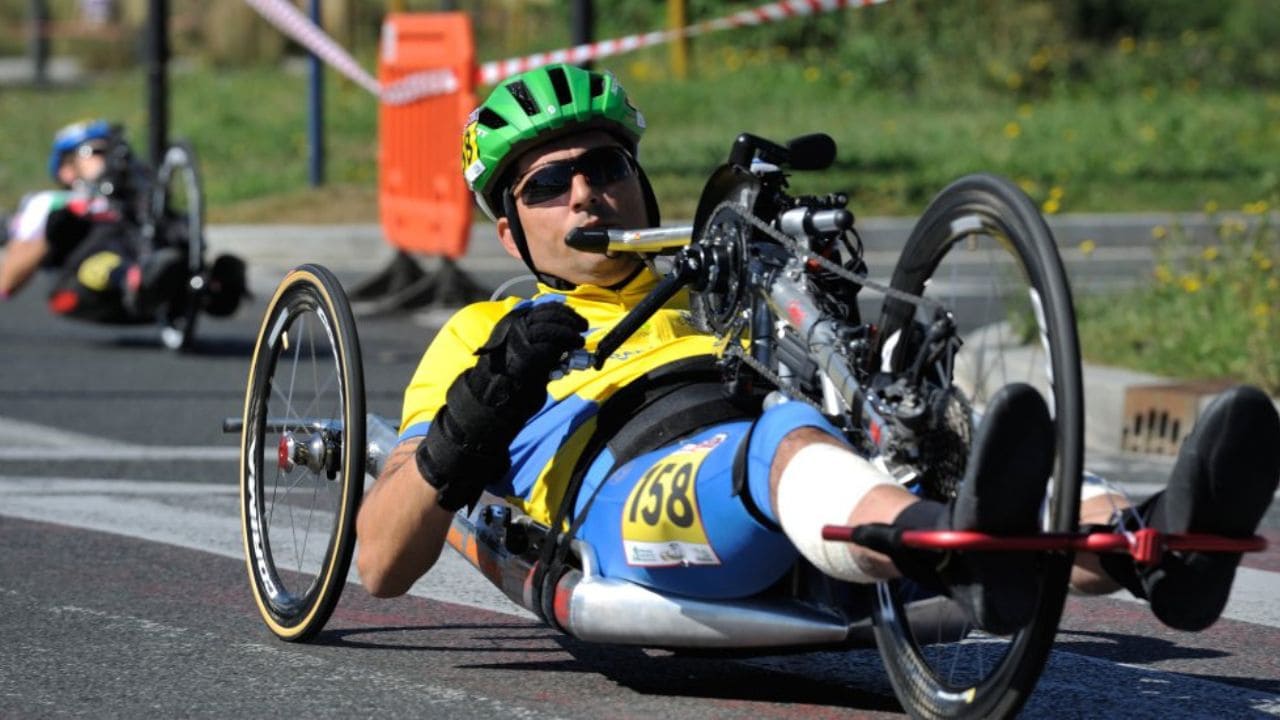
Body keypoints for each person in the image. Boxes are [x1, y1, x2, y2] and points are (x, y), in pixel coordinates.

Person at [355, 63, 1280, 635]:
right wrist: (473, 419)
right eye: (549, 184)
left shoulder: (719, 274)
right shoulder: (480, 334)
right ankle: (950, 549)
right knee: (786, 437)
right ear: (511, 235)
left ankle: (1149, 542)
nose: (586, 194)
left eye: (606, 167)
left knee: (932, 459)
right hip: (631, 491)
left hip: (804, 471)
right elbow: (381, 563)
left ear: (640, 180)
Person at [0, 119, 245, 324]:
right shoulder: (50, 201)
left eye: (112, 150)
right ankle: (134, 277)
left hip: (145, 258)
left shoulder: (132, 191)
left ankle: (205, 285)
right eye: (94, 151)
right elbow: (7, 282)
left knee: (172, 227)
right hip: (83, 282)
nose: (107, 157)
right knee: (89, 240)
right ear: (67, 169)